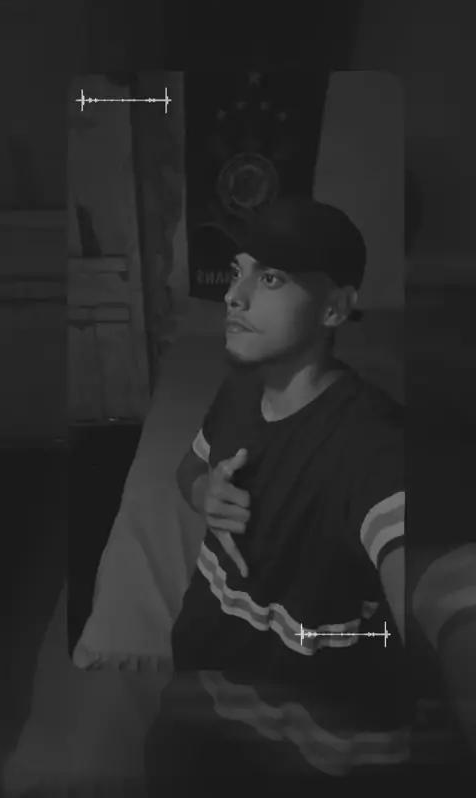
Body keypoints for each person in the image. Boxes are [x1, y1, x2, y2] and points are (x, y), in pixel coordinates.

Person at [145, 196, 410, 793]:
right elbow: (189, 468)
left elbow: (422, 573)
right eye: (237, 272)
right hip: (200, 700)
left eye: (269, 279)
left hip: (320, 753)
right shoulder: (239, 390)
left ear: (335, 308)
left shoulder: (374, 446)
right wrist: (202, 491)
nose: (233, 296)